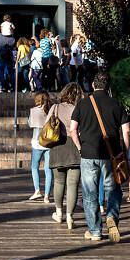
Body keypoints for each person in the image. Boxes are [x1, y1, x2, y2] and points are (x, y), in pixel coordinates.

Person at [69, 73, 130, 243]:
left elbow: (72, 129)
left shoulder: (82, 103)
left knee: (90, 194)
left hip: (88, 154)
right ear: (108, 88)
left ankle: (95, 231)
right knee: (113, 189)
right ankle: (111, 217)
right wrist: (124, 150)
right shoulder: (116, 104)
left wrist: (80, 148)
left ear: (94, 86)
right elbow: (126, 130)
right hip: (111, 155)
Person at [47, 82, 83, 230]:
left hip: (57, 145)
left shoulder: (55, 107)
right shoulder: (78, 108)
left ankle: (59, 213)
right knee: (73, 184)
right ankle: (70, 217)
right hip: (74, 146)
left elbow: (46, 124)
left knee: (59, 182)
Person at [29, 90, 53, 203]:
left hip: (37, 142)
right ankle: (47, 195)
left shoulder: (33, 111)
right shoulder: (51, 110)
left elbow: (30, 123)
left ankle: (37, 190)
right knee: (48, 170)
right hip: (49, 143)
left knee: (34, 167)